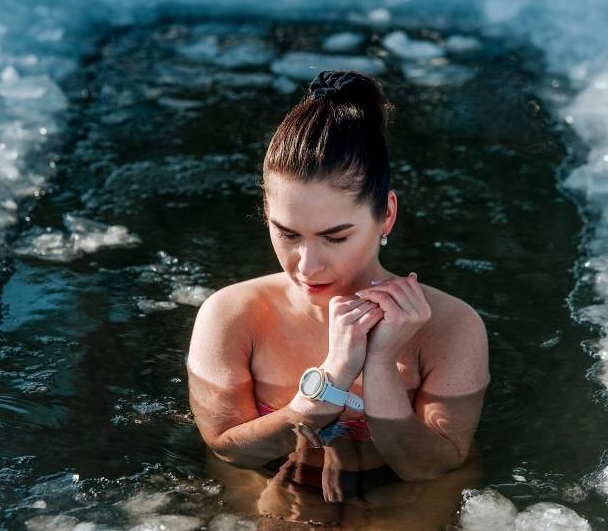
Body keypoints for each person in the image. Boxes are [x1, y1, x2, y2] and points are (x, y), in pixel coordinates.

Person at [187, 70, 490, 522]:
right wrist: (330, 381)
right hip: (274, 485)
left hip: (406, 493)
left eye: (335, 237)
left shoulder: (450, 325)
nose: (306, 266)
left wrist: (381, 366)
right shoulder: (232, 315)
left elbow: (431, 466)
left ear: (385, 215)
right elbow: (230, 452)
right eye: (287, 233)